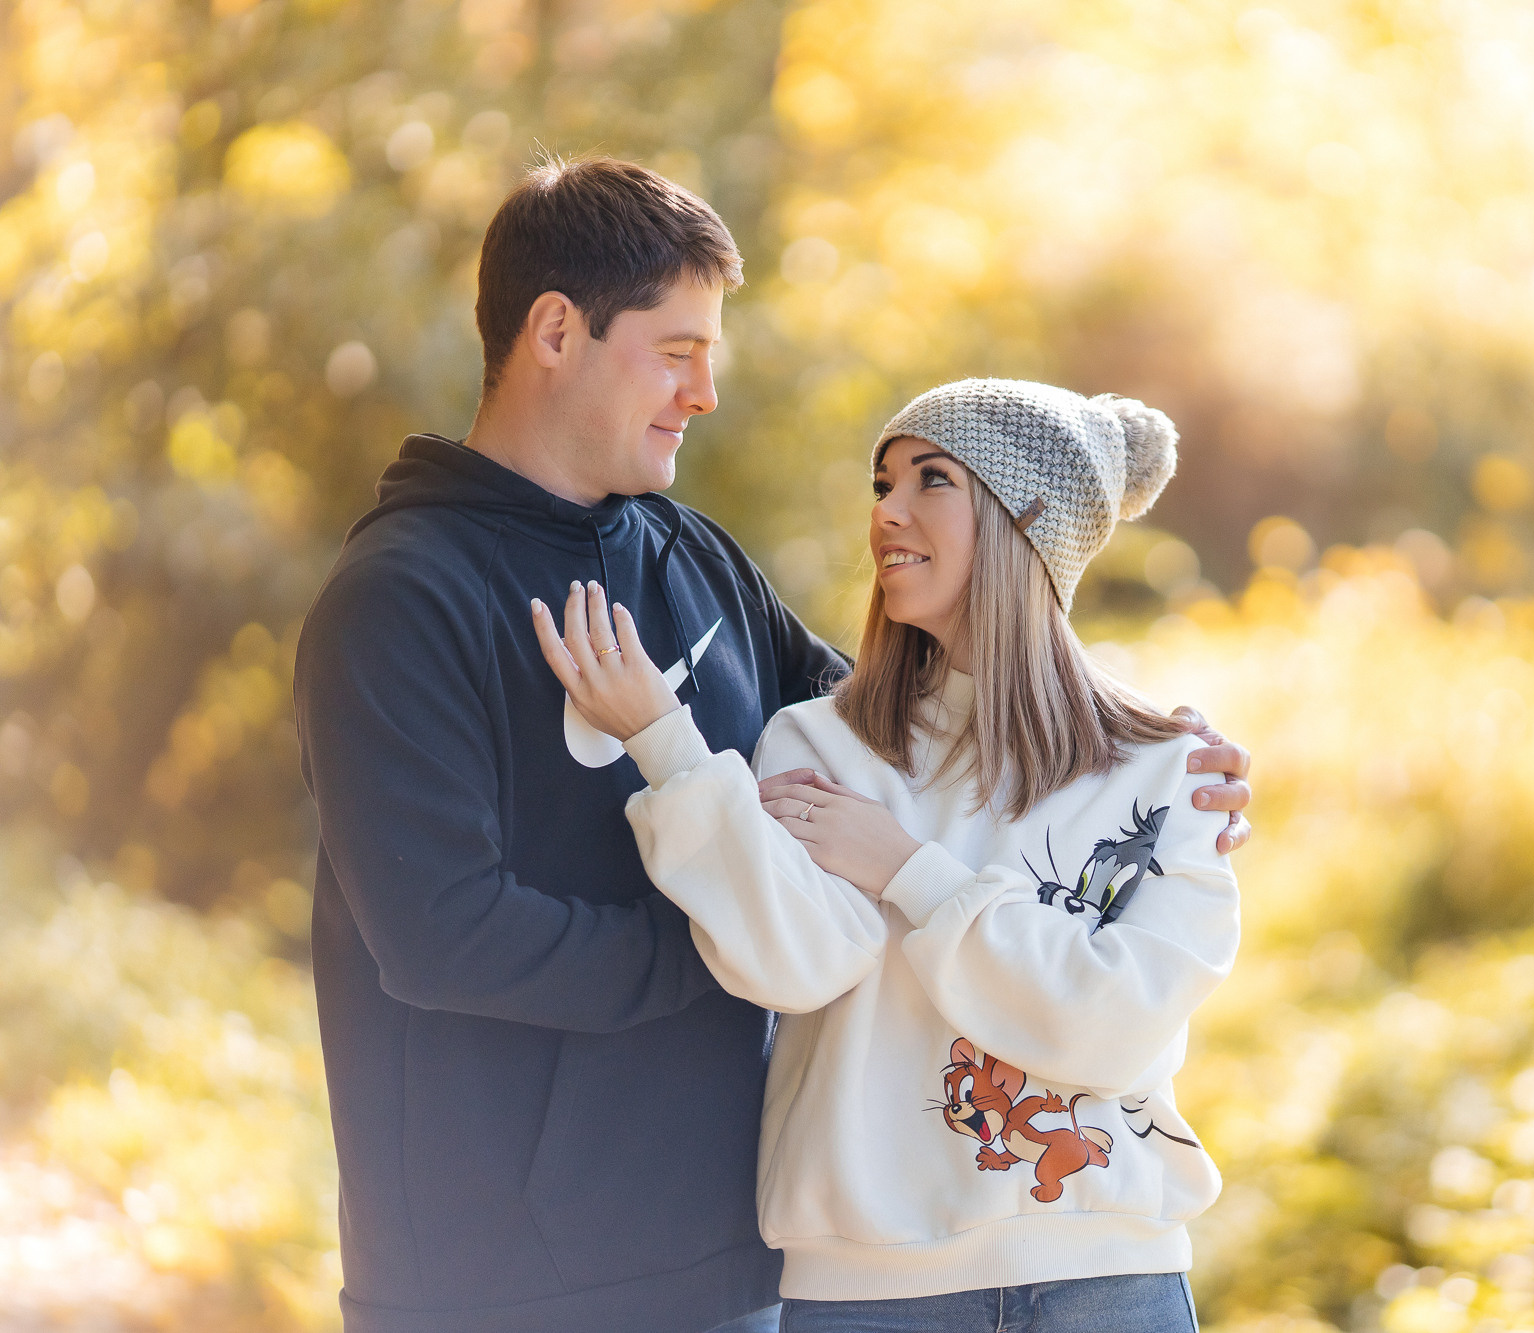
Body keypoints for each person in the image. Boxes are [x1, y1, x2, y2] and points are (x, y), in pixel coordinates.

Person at [293, 157, 1254, 1333]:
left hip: (734, 1262)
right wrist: (728, 947)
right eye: (676, 349)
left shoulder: (688, 557)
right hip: (493, 1280)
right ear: (555, 331)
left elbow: (911, 725)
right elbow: (443, 937)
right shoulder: (402, 595)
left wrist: (1137, 746)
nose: (704, 392)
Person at [533, 378, 1237, 1331]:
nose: (886, 513)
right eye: (882, 482)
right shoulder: (821, 745)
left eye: (931, 479)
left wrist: (907, 867)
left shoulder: (1168, 771)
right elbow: (795, 962)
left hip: (1109, 1281)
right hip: (869, 1296)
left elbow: (1114, 1031)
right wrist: (668, 744)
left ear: (1027, 519)